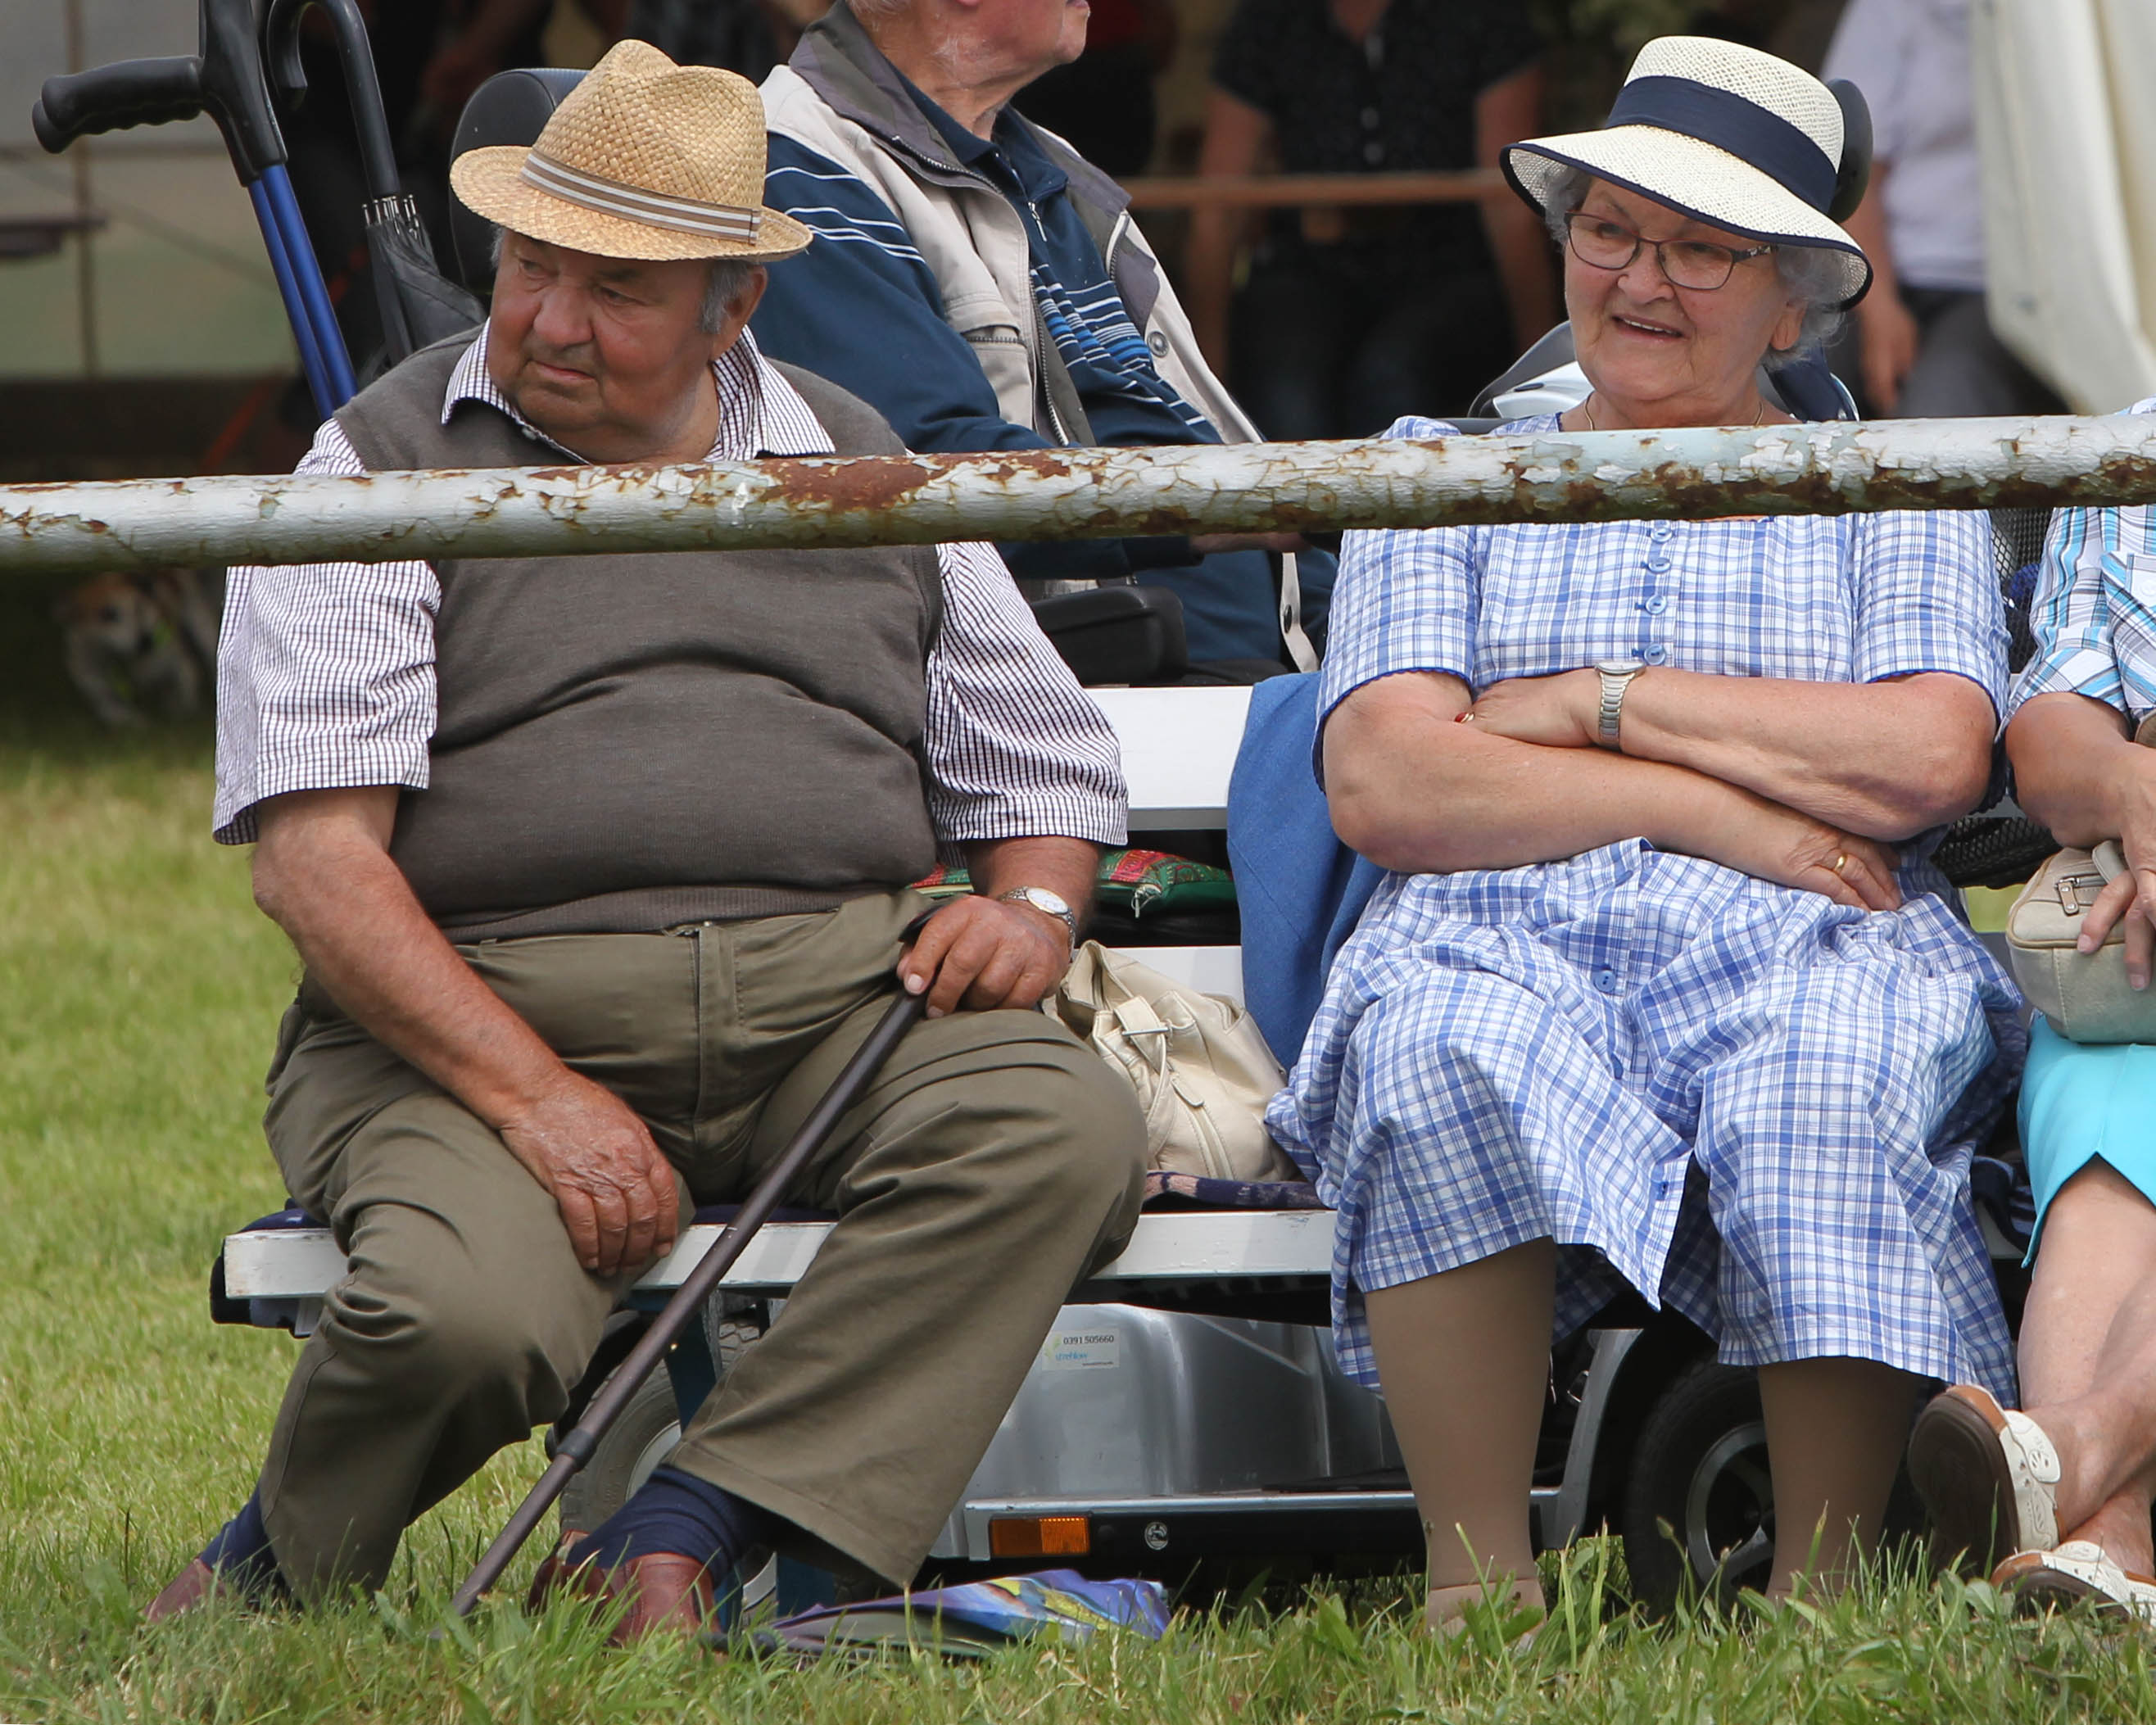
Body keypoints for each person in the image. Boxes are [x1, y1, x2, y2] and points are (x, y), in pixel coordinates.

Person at [147, 41, 1148, 1641]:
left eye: (612, 291)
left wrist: (1030, 905)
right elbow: (316, 863)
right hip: (478, 1018)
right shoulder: (376, 465)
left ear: (725, 313)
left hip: (835, 1004)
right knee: (459, 1316)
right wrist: (538, 1102)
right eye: (529, 267)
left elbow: (1036, 754)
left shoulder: (856, 455)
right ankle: (284, 1558)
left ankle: (687, 1523)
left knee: (1056, 1132)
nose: (544, 320)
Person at [1263, 37, 2021, 1631]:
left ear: (1792, 296)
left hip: (1816, 932)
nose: (1637, 279)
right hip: (1499, 928)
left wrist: (1583, 699)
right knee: (1433, 1048)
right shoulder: (1441, 472)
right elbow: (1390, 786)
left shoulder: (1886, 484)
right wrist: (1711, 803)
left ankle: (1819, 1610)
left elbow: (1924, 756)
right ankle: (1476, 1596)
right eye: (1606, 231)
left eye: (1699, 249)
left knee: (1828, 1074)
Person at [750, 0, 1333, 672]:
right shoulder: (796, 166)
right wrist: (1263, 503)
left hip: (1263, 672)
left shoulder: (1049, 164)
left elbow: (1197, 431)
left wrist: (1343, 597)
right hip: (1088, 704)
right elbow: (926, 470)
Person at [1907, 413, 2156, 1619]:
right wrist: (2138, 785)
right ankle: (2106, 1553)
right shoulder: (2135, 453)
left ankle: (2086, 1462)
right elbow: (2051, 739)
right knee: (2104, 1115)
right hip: (2141, 955)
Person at [1186, 0, 1556, 437]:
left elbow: (1508, 202)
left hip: (1447, 266)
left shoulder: (1481, 16)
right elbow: (1218, 207)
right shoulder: (1269, 20)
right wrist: (1202, 384)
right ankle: (1299, 506)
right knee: (1288, 389)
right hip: (1309, 267)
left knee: (1393, 375)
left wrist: (1545, 365)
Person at [1820, 0, 2060, 417]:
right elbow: (1852, 173)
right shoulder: (1891, 12)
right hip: (1871, 269)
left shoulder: (2073, 26)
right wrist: (1880, 309)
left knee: (1944, 403)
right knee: (1792, 379)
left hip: (2002, 291)